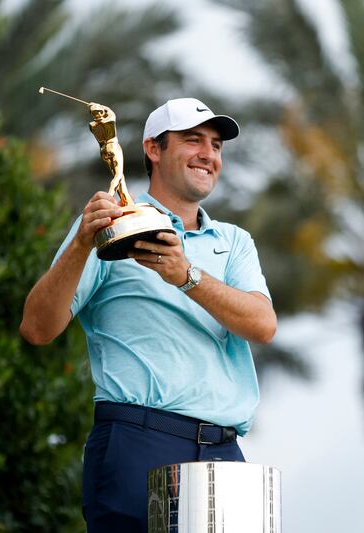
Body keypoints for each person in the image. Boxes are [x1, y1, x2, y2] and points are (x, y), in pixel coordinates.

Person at [19, 98, 277, 532]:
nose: (209, 155)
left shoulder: (233, 242)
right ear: (153, 149)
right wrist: (83, 243)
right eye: (193, 140)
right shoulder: (110, 226)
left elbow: (262, 324)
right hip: (137, 439)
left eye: (216, 145)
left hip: (224, 452)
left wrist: (186, 276)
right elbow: (37, 328)